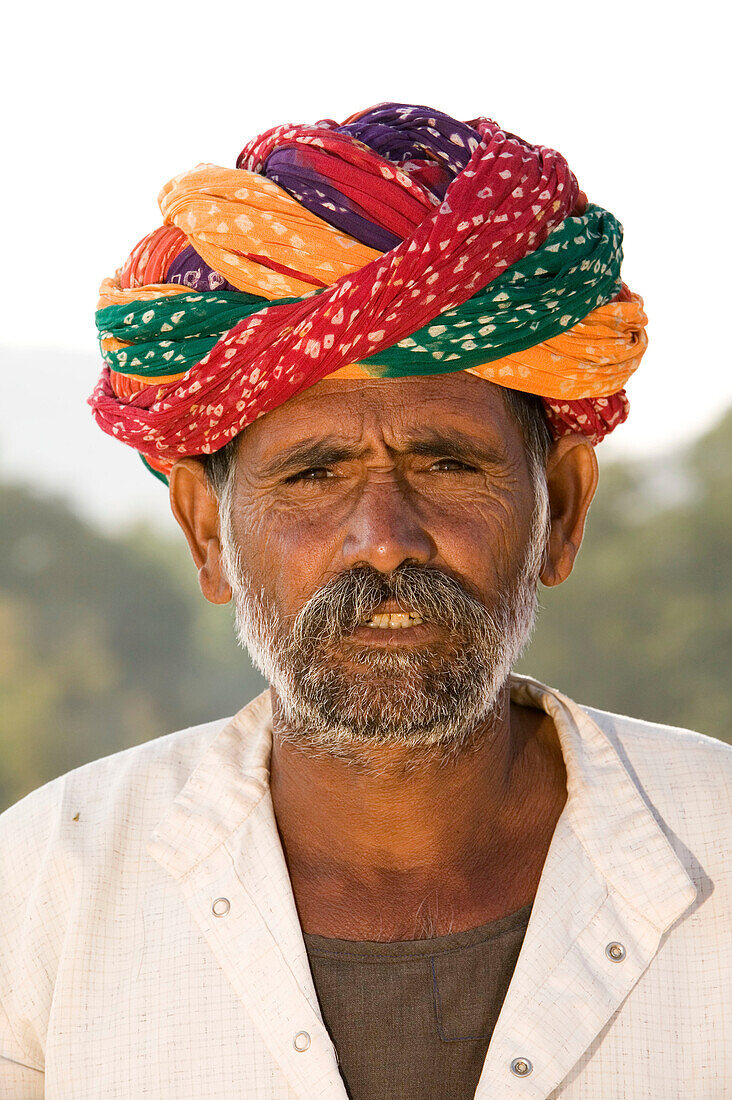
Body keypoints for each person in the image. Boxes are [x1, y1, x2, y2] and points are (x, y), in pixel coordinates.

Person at [0, 103, 729, 1100]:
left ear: (560, 507)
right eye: (313, 473)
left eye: (446, 460)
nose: (384, 534)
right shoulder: (43, 888)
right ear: (206, 532)